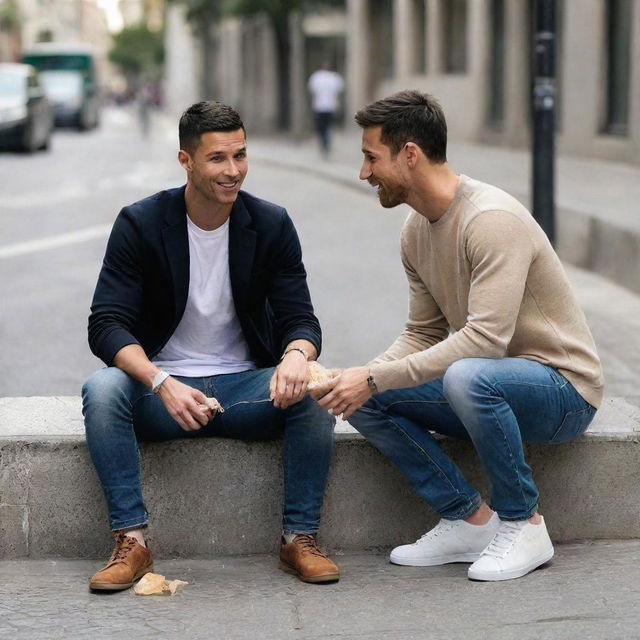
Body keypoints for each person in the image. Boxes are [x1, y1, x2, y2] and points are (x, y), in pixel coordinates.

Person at [312, 90, 603, 582]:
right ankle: (469, 519)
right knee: (362, 397)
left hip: (563, 391)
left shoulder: (491, 219)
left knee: (468, 375)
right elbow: (423, 333)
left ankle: (524, 524)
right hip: (486, 385)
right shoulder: (415, 230)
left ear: (410, 154)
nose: (364, 173)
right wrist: (363, 378)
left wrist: (377, 377)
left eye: (370, 157)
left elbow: (485, 341)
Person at [82, 101, 339, 591]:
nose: (233, 170)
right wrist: (161, 381)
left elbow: (300, 318)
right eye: (218, 158)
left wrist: (295, 355)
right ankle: (131, 541)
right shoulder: (140, 223)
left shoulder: (270, 224)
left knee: (311, 385)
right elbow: (106, 324)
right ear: (186, 161)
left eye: (240, 155)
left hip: (246, 390)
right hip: (165, 392)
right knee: (101, 390)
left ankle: (299, 537)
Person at [307, 61, 344, 156]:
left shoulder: (334, 77)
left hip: (330, 107)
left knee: (328, 127)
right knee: (321, 127)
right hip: (319, 106)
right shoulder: (317, 77)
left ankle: (326, 144)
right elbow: (313, 93)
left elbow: (338, 93)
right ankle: (323, 143)